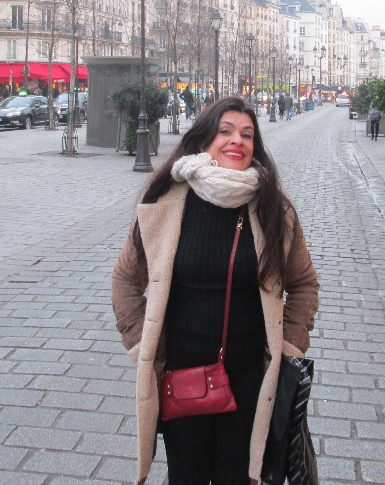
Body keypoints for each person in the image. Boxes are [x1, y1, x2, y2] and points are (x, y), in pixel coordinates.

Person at [111, 96, 319, 485]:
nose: (237, 140)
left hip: (250, 382)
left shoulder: (273, 208)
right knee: (185, 476)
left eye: (247, 134)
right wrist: (142, 344)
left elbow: (304, 283)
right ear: (204, 140)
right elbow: (125, 279)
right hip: (181, 378)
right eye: (225, 131)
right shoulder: (165, 203)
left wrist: (289, 348)